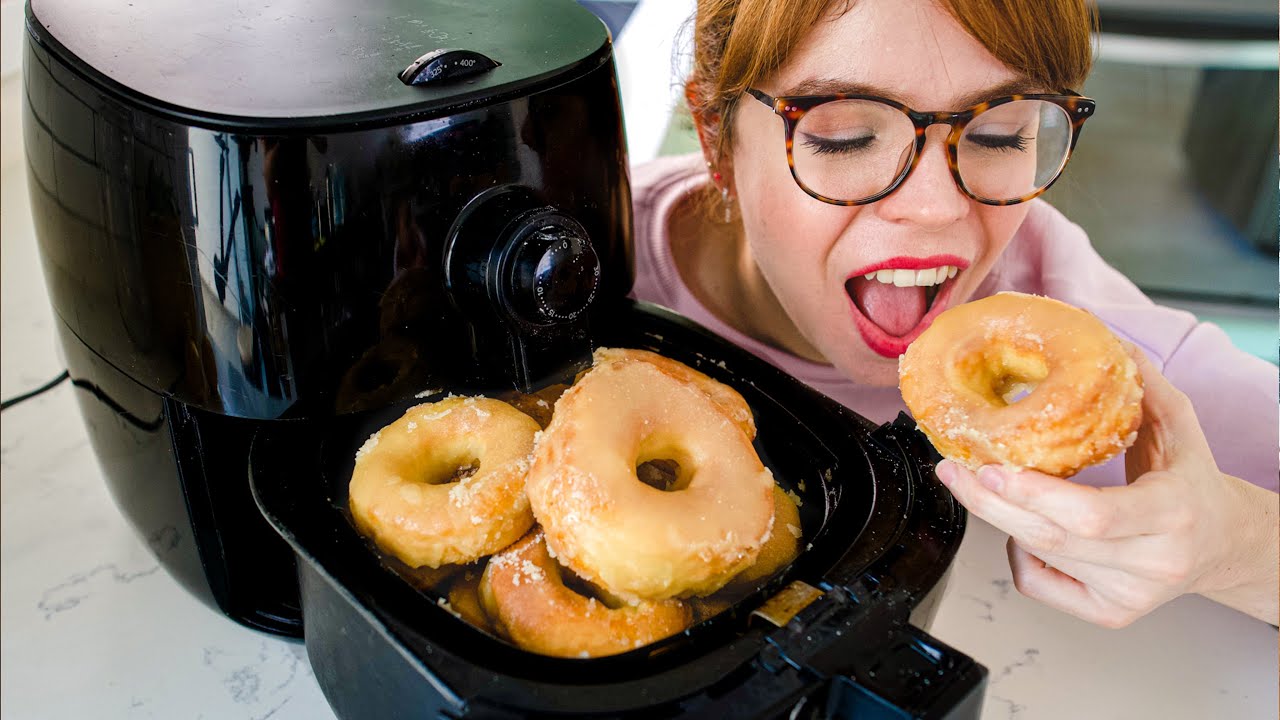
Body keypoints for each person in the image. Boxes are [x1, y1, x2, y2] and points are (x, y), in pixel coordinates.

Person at [628, 0, 1279, 628]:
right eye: (847, 136)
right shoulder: (582, 263)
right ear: (716, 138)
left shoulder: (1114, 362)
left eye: (1001, 131)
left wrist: (1231, 544)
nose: (937, 206)